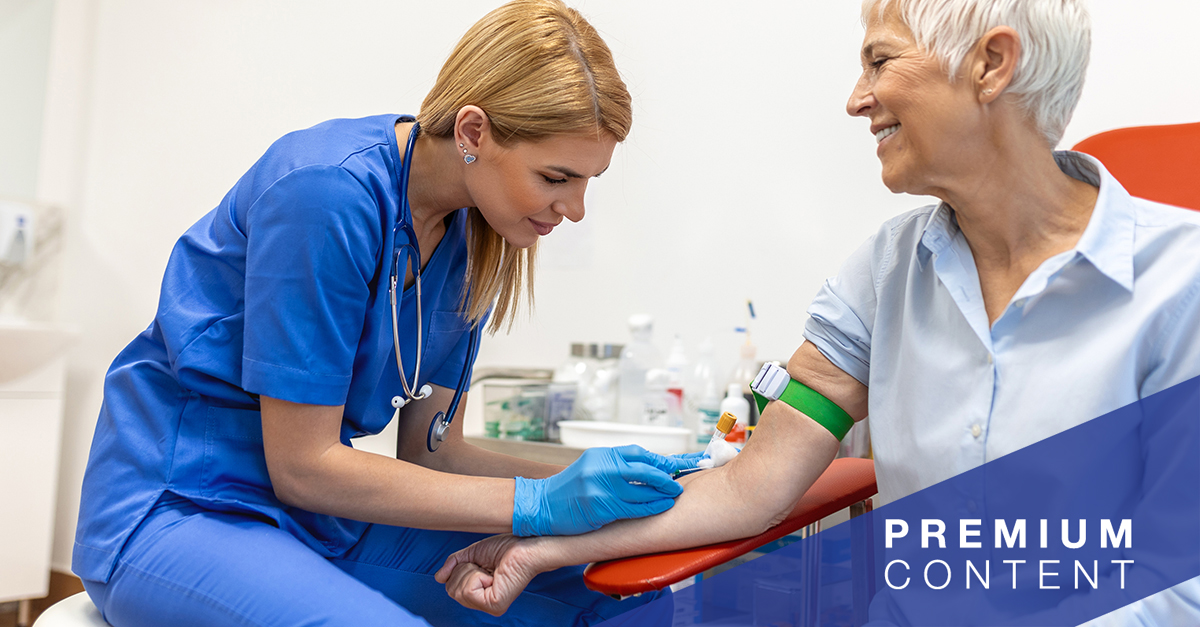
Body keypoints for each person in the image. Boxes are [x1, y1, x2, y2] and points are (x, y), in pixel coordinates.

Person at [435, 0, 1200, 623]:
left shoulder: (1180, 285)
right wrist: (544, 545)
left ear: (991, 65)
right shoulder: (886, 271)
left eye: (880, 60)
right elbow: (748, 484)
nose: (856, 98)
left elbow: (1178, 584)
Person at [71, 1, 701, 625]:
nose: (576, 209)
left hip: (322, 520)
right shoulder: (326, 193)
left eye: (588, 181)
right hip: (184, 509)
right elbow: (304, 467)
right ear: (473, 132)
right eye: (556, 177)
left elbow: (435, 454)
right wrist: (538, 503)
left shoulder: (469, 234)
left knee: (620, 591)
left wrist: (607, 481)